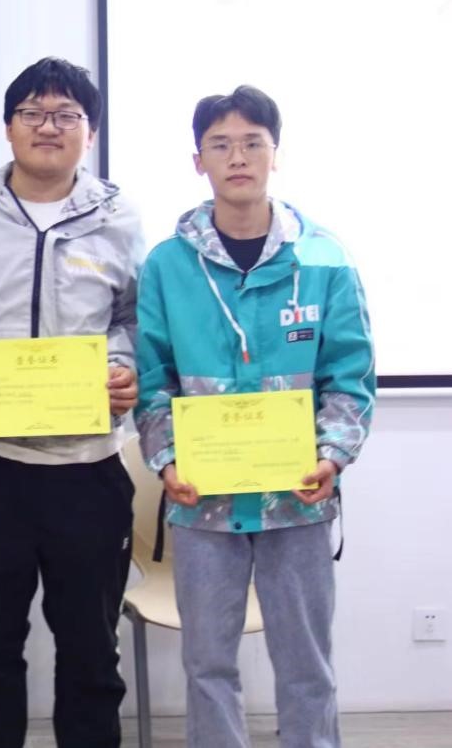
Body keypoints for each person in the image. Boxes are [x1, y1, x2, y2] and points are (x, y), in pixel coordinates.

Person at [134, 85, 375, 747]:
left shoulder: (323, 257)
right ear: (198, 161)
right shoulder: (167, 264)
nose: (236, 157)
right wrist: (167, 460)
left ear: (275, 153)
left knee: (306, 667)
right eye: (220, 144)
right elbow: (153, 379)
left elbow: (350, 374)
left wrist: (331, 455)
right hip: (202, 503)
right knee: (207, 665)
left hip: (297, 498)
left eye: (251, 143)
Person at [0, 57, 144, 748]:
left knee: (90, 650)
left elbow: (135, 319)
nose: (48, 127)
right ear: (7, 126)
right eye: (32, 113)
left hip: (89, 469)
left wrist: (125, 369)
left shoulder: (120, 218)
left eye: (66, 115)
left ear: (90, 131)